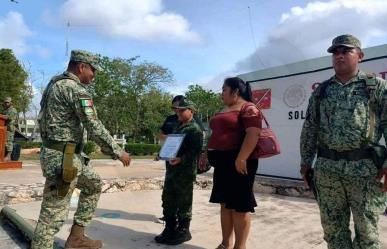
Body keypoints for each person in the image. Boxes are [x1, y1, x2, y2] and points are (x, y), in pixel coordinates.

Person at [31, 50, 131, 249]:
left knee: (93, 184)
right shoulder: (75, 89)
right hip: (64, 159)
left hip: (64, 155)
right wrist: (118, 151)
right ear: (81, 66)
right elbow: (94, 126)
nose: (94, 75)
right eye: (93, 70)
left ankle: (76, 237)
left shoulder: (54, 84)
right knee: (52, 214)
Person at [300, 34, 387, 249]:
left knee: (367, 233)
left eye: (345, 51)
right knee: (333, 232)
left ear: (360, 55)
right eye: (335, 52)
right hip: (327, 170)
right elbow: (310, 127)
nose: (339, 56)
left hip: (365, 170)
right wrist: (305, 161)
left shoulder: (376, 87)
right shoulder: (322, 90)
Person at [207, 77, 262, 249]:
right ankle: (225, 244)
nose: (221, 93)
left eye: (224, 89)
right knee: (225, 205)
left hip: (240, 163)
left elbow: (253, 133)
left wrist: (242, 158)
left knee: (239, 207)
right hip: (222, 164)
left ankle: (240, 246)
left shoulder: (249, 108)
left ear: (235, 91)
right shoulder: (226, 109)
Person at [155, 99, 203, 245]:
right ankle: (169, 228)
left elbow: (195, 151)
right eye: (177, 110)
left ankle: (183, 230)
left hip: (185, 173)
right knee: (168, 199)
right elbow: (171, 144)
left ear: (191, 111)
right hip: (171, 171)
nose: (178, 112)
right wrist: (161, 154)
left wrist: (181, 159)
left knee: (184, 201)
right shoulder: (177, 125)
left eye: (182, 110)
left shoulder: (195, 129)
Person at [1, 97, 17, 161]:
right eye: (5, 102)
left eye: (7, 102)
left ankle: (8, 156)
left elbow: (8, 117)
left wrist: (1, 115)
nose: (6, 103)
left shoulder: (13, 110)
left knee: (9, 142)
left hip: (9, 129)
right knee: (4, 142)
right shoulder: (6, 110)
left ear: (11, 103)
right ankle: (3, 155)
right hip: (4, 128)